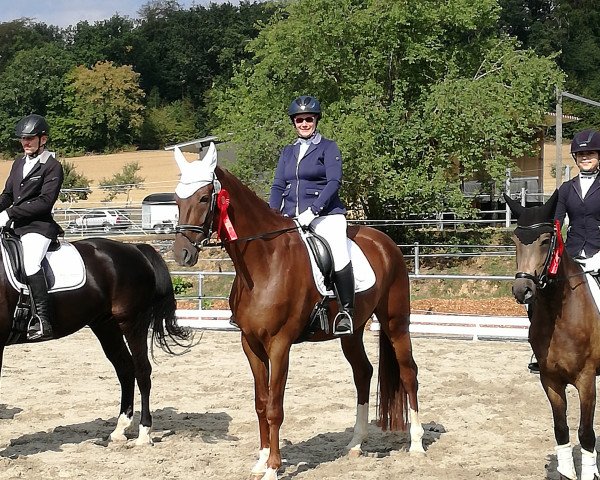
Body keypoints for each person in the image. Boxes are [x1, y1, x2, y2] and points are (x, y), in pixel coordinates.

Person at [269, 95, 354, 335]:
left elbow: (334, 181)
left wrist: (314, 210)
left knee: (338, 251)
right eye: (299, 120)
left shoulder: (328, 147)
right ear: (293, 123)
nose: (304, 124)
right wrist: (272, 214)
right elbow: (277, 186)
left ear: (316, 120)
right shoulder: (287, 151)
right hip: (291, 216)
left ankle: (346, 311)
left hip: (326, 215)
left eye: (308, 119)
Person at [527, 128, 600, 372]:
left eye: (590, 153)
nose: (585, 157)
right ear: (575, 158)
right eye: (581, 154)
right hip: (572, 254)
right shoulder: (566, 190)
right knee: (539, 295)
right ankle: (540, 350)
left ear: (598, 156)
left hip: (599, 253)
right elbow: (556, 224)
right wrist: (557, 254)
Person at [0, 114, 64, 340]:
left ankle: (43, 320)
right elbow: (8, 194)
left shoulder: (52, 167)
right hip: (16, 226)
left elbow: (45, 202)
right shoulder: (18, 163)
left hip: (39, 227)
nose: (25, 143)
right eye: (22, 139)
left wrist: (9, 213)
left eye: (29, 139)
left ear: (43, 139)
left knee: (31, 263)